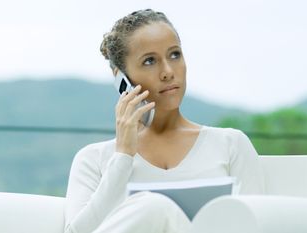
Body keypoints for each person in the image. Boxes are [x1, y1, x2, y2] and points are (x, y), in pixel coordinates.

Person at [64, 9, 264, 233]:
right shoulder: (93, 159)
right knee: (153, 207)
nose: (168, 71)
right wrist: (122, 158)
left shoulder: (231, 144)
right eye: (150, 61)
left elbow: (256, 225)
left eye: (174, 55)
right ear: (121, 79)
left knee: (155, 207)